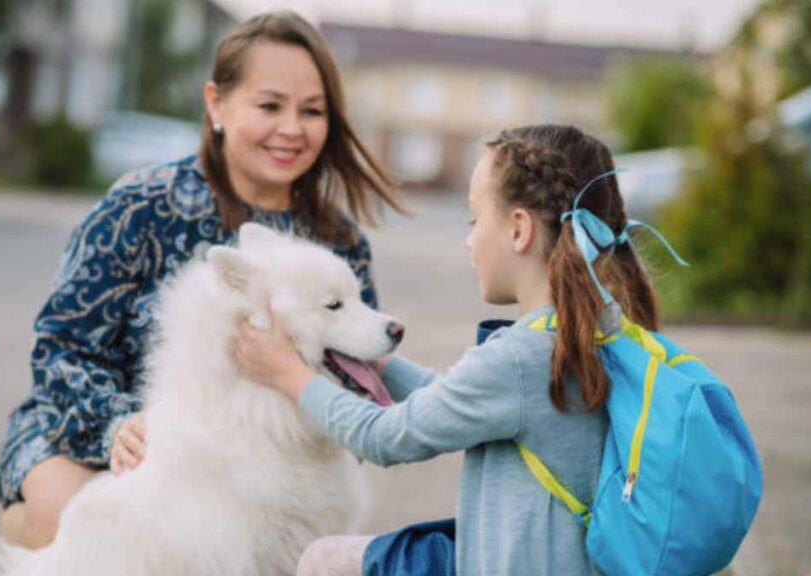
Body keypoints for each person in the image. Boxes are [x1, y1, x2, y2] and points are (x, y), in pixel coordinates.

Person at [0, 10, 404, 549]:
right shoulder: (140, 207)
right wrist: (117, 423)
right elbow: (60, 347)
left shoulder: (338, 238)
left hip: (264, 464)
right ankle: (24, 540)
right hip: (98, 436)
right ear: (216, 104)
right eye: (269, 105)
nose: (291, 128)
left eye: (312, 111)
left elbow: (356, 375)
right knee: (83, 519)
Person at [234, 124, 663, 575]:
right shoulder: (598, 330)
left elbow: (384, 436)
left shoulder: (520, 357)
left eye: (475, 221)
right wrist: (380, 363)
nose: (468, 239)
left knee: (324, 560)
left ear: (519, 230)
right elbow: (461, 402)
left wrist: (289, 375)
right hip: (573, 560)